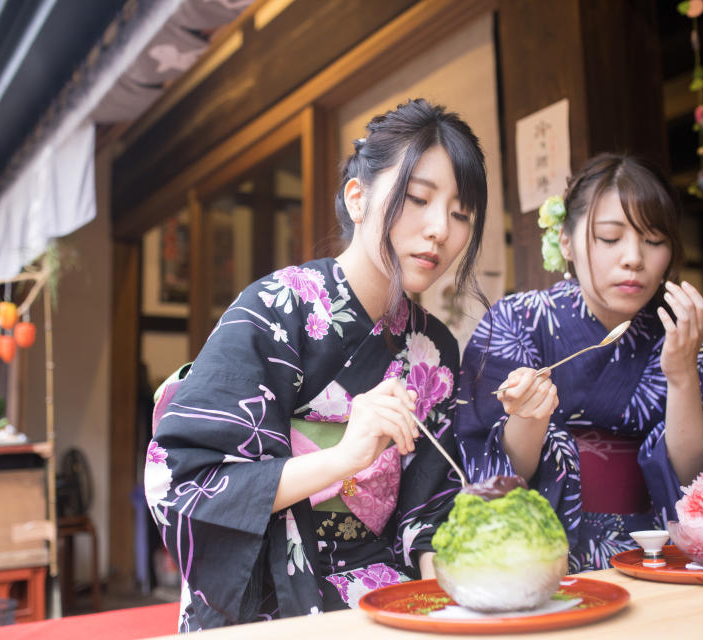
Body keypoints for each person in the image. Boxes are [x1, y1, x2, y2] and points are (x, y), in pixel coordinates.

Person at [145, 99, 491, 631]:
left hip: (387, 586)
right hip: (271, 590)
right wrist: (345, 458)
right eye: (418, 199)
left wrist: (444, 590)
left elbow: (429, 503)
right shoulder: (274, 307)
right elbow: (182, 483)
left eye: (460, 213)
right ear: (358, 198)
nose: (440, 229)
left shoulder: (435, 350)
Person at [454, 153, 703, 573]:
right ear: (566, 241)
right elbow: (486, 469)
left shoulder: (695, 332)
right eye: (610, 237)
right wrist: (529, 417)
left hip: (669, 551)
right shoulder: (516, 322)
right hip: (542, 555)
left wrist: (681, 380)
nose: (634, 258)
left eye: (654, 240)